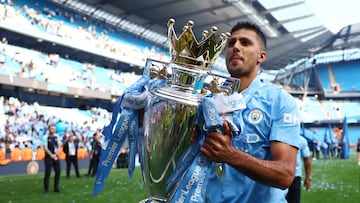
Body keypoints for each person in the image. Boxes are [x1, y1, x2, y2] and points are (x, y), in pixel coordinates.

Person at [193, 22, 300, 202]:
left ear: (261, 56)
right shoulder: (207, 101)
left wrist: (231, 155)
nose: (235, 47)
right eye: (231, 43)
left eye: (245, 43)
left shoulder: (279, 101)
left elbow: (285, 176)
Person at [286, 135, 312, 203]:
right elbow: (307, 159)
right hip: (292, 175)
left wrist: (308, 177)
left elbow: (307, 159)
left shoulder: (301, 140)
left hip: (293, 176)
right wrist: (308, 177)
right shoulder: (301, 139)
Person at [43, 124, 61, 194]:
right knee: (48, 173)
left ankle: (56, 187)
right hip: (49, 157)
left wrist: (56, 154)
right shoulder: (45, 137)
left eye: (54, 129)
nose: (53, 130)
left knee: (58, 171)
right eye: (51, 129)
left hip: (56, 156)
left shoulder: (57, 136)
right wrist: (51, 155)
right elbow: (45, 148)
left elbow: (59, 146)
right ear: (49, 129)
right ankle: (46, 189)